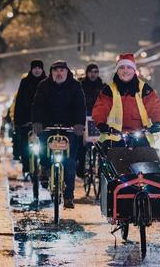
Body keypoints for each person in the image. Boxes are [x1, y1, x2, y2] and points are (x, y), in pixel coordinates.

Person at [32, 60, 85, 209]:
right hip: (48, 127)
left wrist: (79, 124)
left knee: (70, 161)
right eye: (56, 70)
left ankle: (68, 195)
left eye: (62, 70)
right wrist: (37, 122)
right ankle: (44, 167)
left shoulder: (75, 86)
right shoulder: (43, 85)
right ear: (51, 72)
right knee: (43, 150)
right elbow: (38, 105)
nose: (59, 73)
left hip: (69, 128)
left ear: (67, 72)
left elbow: (80, 106)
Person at [92, 53, 160, 149]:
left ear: (134, 70)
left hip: (140, 138)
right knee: (113, 162)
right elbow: (101, 108)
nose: (125, 71)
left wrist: (157, 122)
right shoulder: (109, 89)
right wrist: (101, 123)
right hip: (114, 138)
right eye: (122, 67)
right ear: (117, 71)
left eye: (129, 67)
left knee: (149, 162)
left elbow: (155, 107)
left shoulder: (144, 88)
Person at [13, 59, 46, 178]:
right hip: (25, 120)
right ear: (31, 69)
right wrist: (18, 120)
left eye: (39, 68)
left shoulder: (47, 82)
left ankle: (44, 168)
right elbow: (20, 101)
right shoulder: (25, 82)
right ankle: (26, 167)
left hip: (42, 121)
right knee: (25, 146)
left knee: (44, 146)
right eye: (35, 68)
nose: (37, 70)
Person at [77, 63, 104, 178]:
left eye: (95, 72)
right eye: (91, 72)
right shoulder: (80, 86)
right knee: (82, 145)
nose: (93, 74)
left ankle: (100, 170)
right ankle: (81, 168)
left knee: (99, 145)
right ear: (87, 73)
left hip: (97, 118)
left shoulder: (102, 86)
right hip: (83, 117)